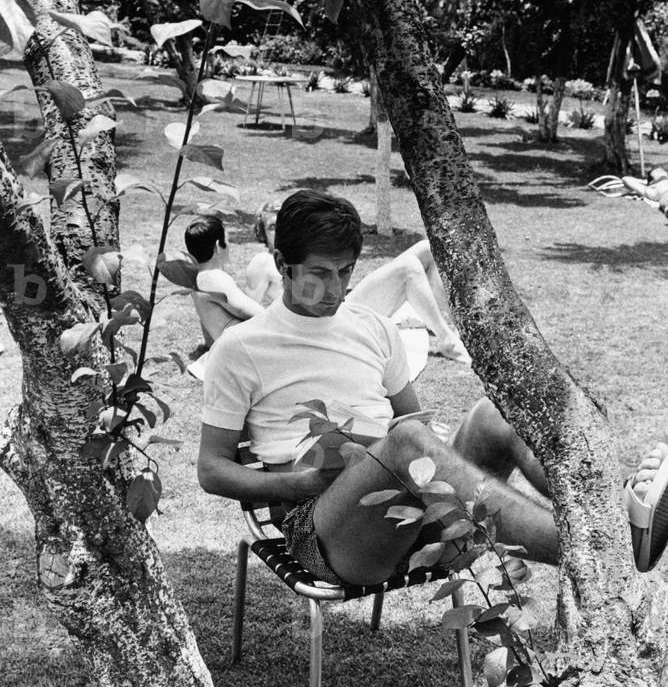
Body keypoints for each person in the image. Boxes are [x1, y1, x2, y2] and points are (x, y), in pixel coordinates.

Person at [198, 189, 668, 585]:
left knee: (490, 414)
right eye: (319, 273)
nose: (336, 290)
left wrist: (415, 452)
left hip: (416, 515)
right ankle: (608, 547)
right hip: (324, 529)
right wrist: (301, 481)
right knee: (403, 442)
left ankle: (610, 510)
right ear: (283, 263)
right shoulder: (241, 348)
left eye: (345, 272)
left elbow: (413, 423)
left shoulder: (373, 329)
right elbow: (211, 470)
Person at [247, 200, 471, 364]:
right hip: (327, 320)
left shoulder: (304, 255)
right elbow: (250, 312)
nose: (279, 232)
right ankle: (446, 339)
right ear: (261, 233)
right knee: (408, 269)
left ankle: (455, 326)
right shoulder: (262, 261)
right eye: (272, 227)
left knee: (426, 248)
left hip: (340, 303)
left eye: (282, 226)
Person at [184, 216, 263, 348]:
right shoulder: (215, 278)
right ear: (217, 246)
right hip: (242, 349)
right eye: (226, 240)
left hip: (228, 347)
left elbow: (208, 330)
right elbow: (250, 311)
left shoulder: (196, 279)